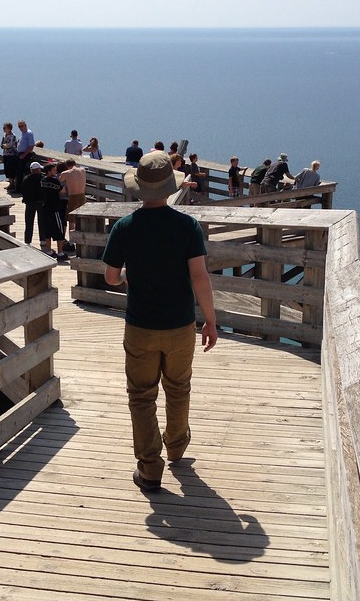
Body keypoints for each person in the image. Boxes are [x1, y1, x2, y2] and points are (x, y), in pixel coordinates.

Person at [102, 150, 218, 493]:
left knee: (141, 396)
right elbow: (199, 277)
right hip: (181, 325)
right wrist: (210, 321)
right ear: (170, 186)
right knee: (178, 388)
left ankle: (150, 468)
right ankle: (177, 446)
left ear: (139, 187)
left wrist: (126, 276)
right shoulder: (187, 226)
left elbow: (110, 277)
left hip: (140, 326)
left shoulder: (124, 227)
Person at [38, 162, 69, 261]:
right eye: (54, 169)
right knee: (59, 231)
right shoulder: (55, 181)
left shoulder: (42, 180)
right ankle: (60, 253)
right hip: (54, 209)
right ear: (49, 171)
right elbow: (62, 192)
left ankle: (49, 251)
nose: (56, 171)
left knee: (47, 231)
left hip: (44, 208)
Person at [58, 157, 87, 242]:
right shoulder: (83, 170)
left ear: (67, 165)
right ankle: (81, 238)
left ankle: (71, 241)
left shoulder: (66, 173)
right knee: (81, 217)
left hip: (73, 196)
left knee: (71, 219)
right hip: (82, 195)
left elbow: (60, 180)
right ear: (75, 163)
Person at [19, 161, 44, 245]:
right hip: (41, 203)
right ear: (38, 170)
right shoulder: (43, 178)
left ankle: (27, 241)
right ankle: (43, 240)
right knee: (42, 222)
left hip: (29, 203)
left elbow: (23, 190)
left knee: (29, 222)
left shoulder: (26, 179)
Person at [0, 122, 20, 193]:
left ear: (9, 128)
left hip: (11, 155)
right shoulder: (4, 135)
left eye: (4, 128)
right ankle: (10, 183)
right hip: (5, 154)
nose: (3, 129)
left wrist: (5, 146)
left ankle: (12, 184)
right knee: (7, 169)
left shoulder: (12, 136)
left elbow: (9, 145)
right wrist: (4, 145)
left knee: (11, 170)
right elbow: (2, 145)